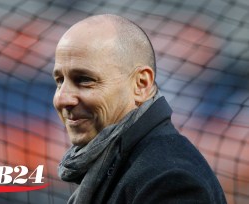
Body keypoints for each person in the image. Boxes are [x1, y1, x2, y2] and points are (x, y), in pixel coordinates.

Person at [52, 14, 227, 204]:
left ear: (141, 84)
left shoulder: (170, 179)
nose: (63, 98)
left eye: (85, 80)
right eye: (59, 81)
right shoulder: (119, 162)